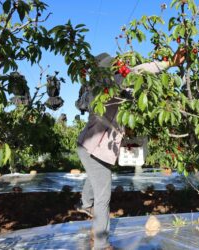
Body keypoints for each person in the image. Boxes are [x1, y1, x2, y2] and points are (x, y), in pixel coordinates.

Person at [76, 50, 185, 250]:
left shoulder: (95, 87)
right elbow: (140, 71)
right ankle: (101, 244)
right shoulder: (113, 82)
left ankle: (85, 204)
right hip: (96, 149)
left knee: (94, 181)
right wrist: (169, 63)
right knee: (103, 197)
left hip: (86, 145)